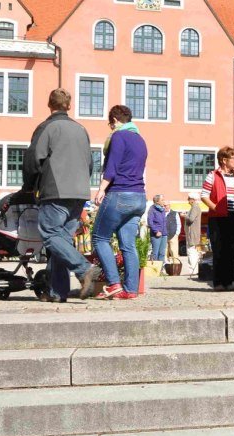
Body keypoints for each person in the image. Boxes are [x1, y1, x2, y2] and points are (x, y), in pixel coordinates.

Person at [21, 88, 102, 302]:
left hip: (55, 190)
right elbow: (90, 163)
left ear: (50, 105)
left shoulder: (47, 127)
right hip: (79, 191)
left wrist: (28, 186)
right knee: (62, 240)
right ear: (69, 106)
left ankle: (84, 269)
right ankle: (58, 292)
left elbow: (32, 160)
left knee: (50, 234)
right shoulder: (81, 129)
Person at [91, 105, 148, 300]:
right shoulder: (140, 139)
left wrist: (101, 189)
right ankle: (130, 290)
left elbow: (112, 166)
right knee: (128, 244)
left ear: (115, 120)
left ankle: (114, 282)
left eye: (110, 124)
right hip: (139, 197)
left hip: (120, 194)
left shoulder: (118, 136)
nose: (110, 127)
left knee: (99, 238)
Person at [201, 146, 234, 291]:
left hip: (233, 217)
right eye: (233, 158)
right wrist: (216, 208)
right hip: (217, 218)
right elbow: (204, 195)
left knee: (231, 250)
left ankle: (228, 282)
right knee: (218, 250)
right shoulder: (213, 175)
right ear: (224, 160)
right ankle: (218, 283)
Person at [185, 192, 203, 275]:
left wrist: (185, 216)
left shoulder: (195, 207)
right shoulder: (195, 207)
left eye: (189, 199)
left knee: (191, 251)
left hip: (192, 232)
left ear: (192, 199)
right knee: (193, 251)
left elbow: (191, 219)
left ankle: (193, 270)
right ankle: (193, 269)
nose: (188, 200)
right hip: (192, 232)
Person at [147, 195, 167, 262]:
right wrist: (156, 231)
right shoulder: (152, 209)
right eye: (162, 200)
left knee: (162, 253)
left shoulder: (163, 209)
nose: (164, 201)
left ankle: (160, 270)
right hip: (156, 234)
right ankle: (153, 270)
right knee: (155, 252)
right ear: (157, 201)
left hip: (164, 234)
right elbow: (150, 222)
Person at [164, 202, 181, 266]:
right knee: (164, 252)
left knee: (174, 252)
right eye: (164, 205)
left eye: (166, 205)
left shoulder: (175, 213)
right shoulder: (162, 213)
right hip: (164, 235)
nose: (165, 207)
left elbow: (178, 224)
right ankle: (165, 267)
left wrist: (177, 233)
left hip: (173, 235)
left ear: (169, 206)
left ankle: (176, 267)